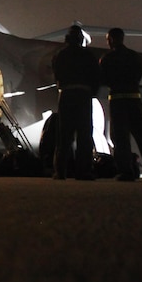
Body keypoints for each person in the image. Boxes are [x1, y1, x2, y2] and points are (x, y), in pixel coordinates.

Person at [99, 28, 142, 181]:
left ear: (111, 39)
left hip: (118, 100)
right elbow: (139, 74)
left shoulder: (107, 58)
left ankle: (126, 171)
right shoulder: (134, 56)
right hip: (134, 98)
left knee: (120, 138)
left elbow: (104, 79)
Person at [50, 25, 101, 180]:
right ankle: (83, 171)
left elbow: (56, 73)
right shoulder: (89, 56)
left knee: (64, 135)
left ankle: (60, 171)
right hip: (84, 95)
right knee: (85, 134)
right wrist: (92, 92)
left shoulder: (60, 55)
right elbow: (97, 76)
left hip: (66, 94)